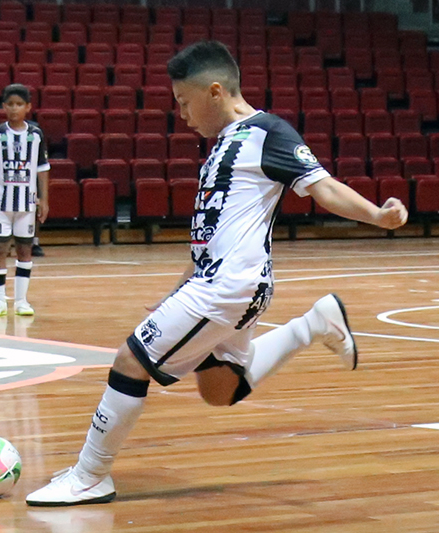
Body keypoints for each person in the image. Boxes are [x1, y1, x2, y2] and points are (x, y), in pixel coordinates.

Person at [25, 41, 409, 507]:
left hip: (230, 286)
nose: (182, 114)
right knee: (220, 389)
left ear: (214, 91)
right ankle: (313, 324)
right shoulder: (224, 145)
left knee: (129, 362)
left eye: (184, 102)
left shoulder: (267, 132)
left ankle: (89, 476)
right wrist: (176, 290)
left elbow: (323, 187)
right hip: (222, 283)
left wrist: (378, 216)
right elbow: (212, 231)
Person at [0, 84, 50, 317]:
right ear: (4, 107)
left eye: (19, 104)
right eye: (10, 104)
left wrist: (44, 199)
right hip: (0, 203)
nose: (14, 108)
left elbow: (42, 169)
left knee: (24, 250)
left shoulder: (36, 135)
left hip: (27, 204)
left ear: (28, 107)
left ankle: (21, 301)